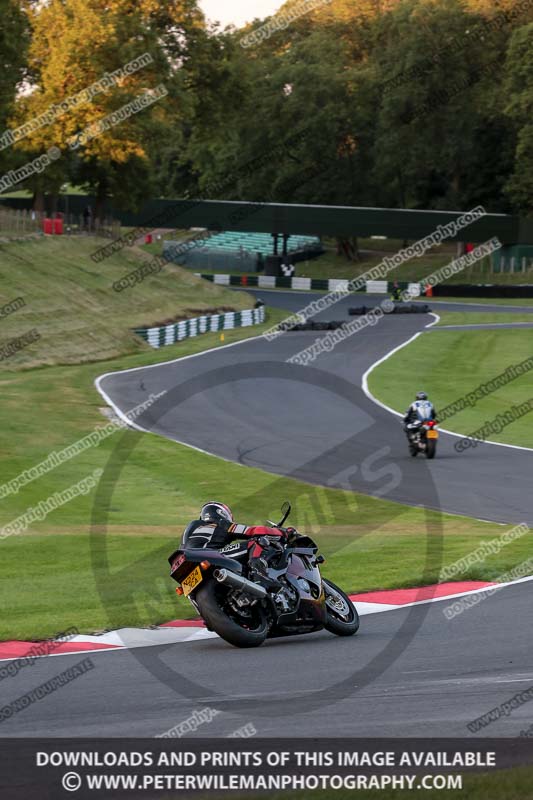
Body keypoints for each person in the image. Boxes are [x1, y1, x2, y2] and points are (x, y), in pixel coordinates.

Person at [183, 501, 286, 590]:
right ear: (221, 513)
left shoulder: (192, 529)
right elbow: (254, 531)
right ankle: (260, 577)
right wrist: (283, 533)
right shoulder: (221, 523)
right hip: (209, 555)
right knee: (255, 542)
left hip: (188, 564)